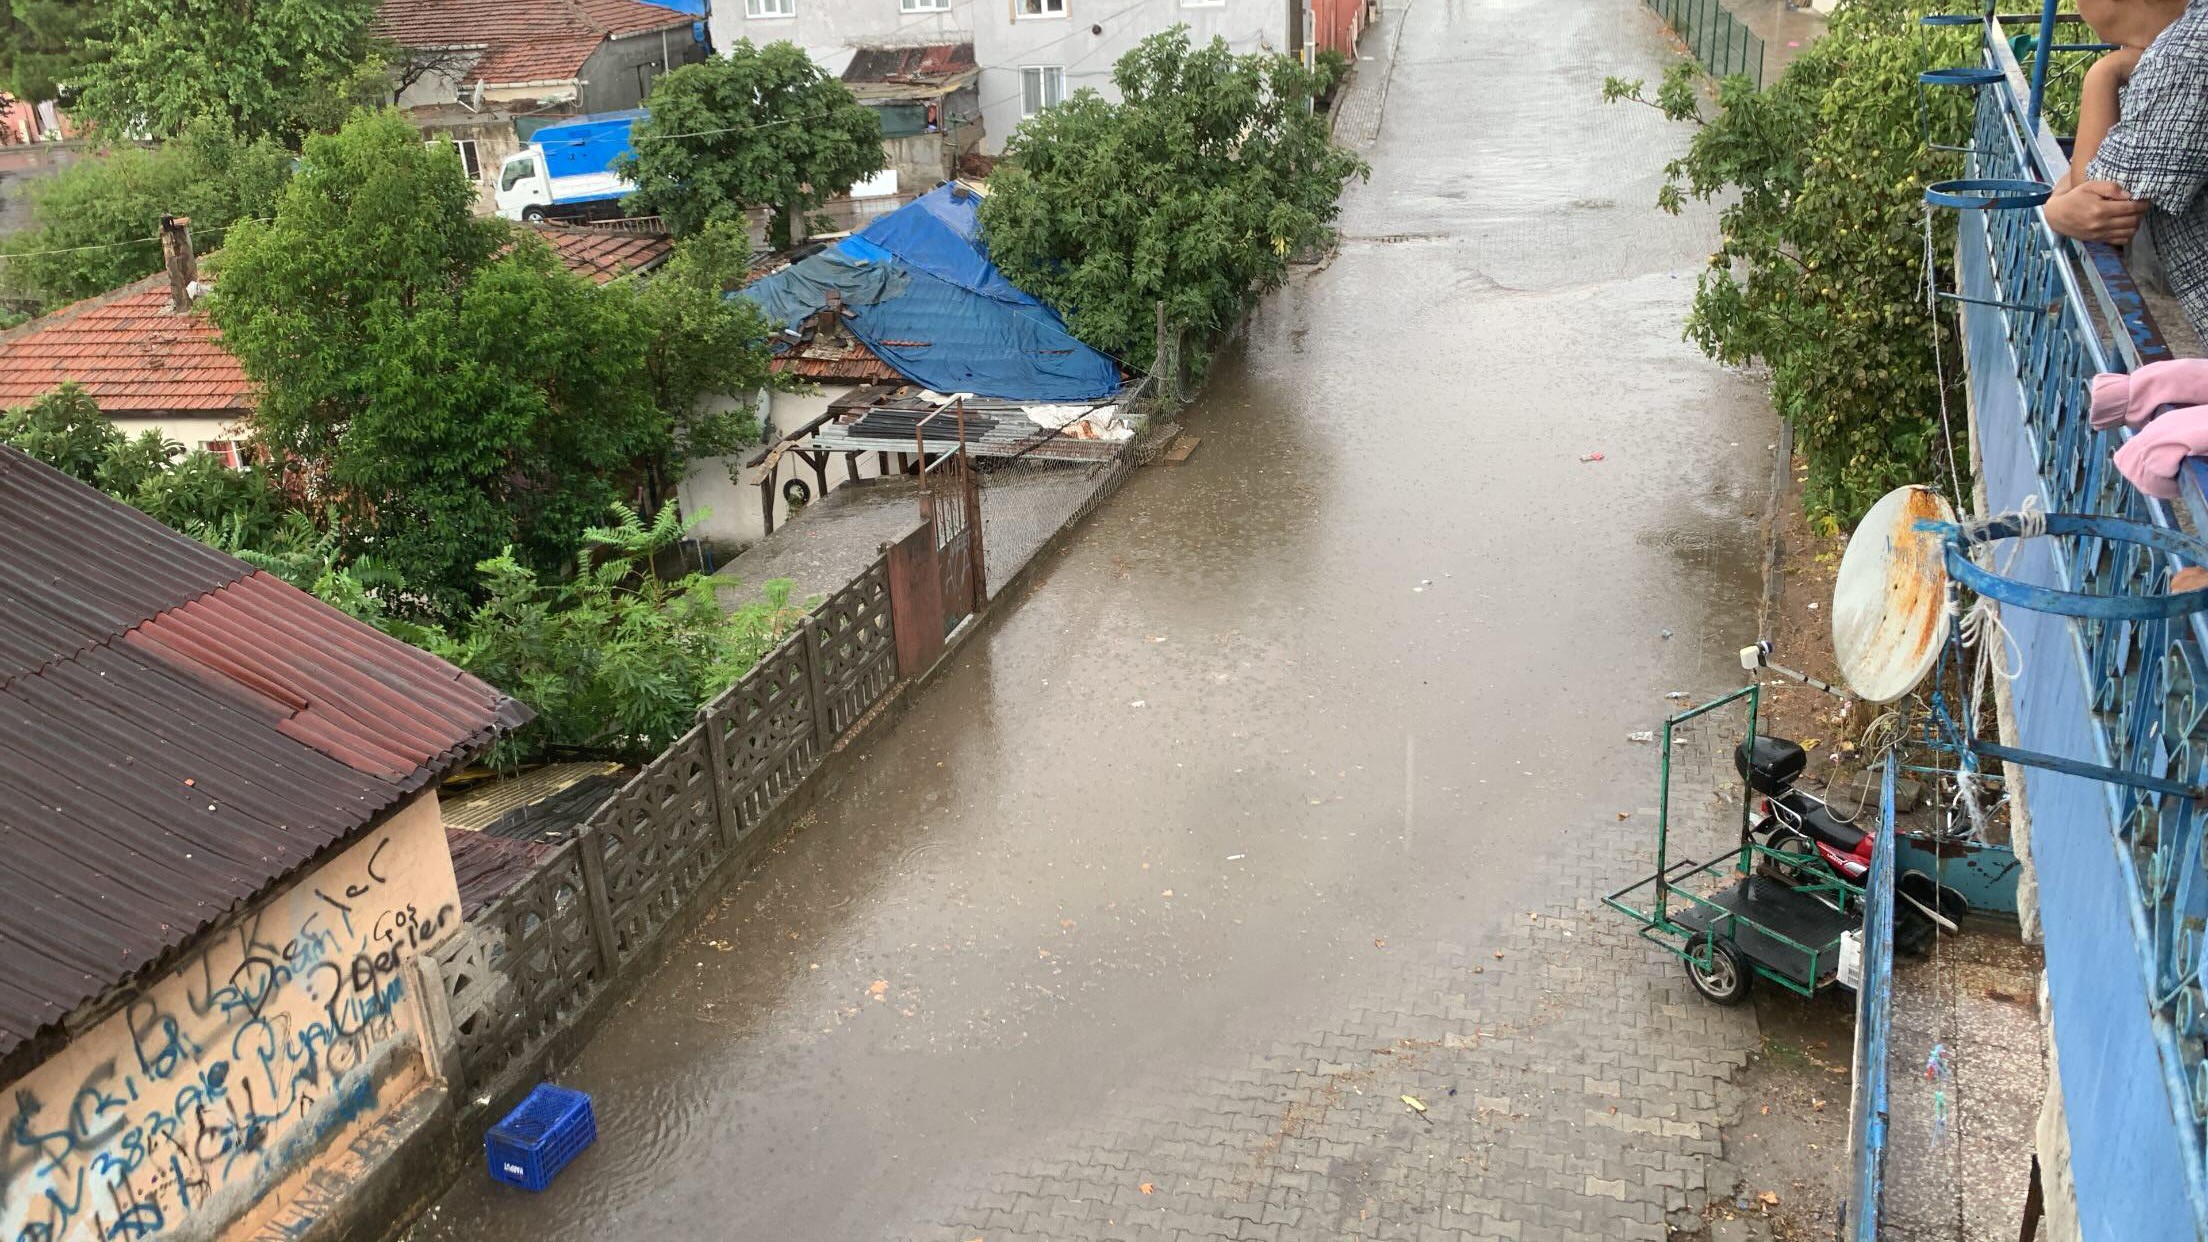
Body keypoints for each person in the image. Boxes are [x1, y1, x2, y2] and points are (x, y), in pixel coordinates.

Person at [2044, 1, 2208, 333]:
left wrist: (2103, 73)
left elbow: (2098, 200)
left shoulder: (2182, 56)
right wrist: (2059, 203)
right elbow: (2099, 165)